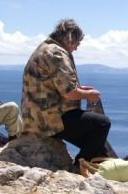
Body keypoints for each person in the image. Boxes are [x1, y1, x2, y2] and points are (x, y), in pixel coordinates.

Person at [21, 19, 111, 172]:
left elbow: (55, 84)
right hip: (49, 119)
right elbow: (70, 93)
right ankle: (78, 167)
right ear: (69, 38)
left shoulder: (44, 48)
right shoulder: (57, 53)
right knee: (101, 124)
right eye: (77, 43)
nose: (76, 48)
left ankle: (90, 162)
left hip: (34, 117)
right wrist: (89, 95)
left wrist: (81, 89)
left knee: (97, 145)